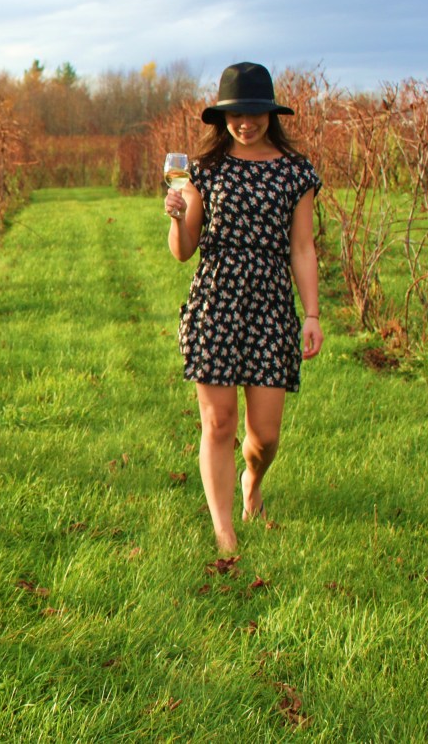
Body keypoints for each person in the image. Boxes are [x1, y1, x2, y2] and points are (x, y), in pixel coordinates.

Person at [164, 62, 323, 553]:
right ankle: (224, 530)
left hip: (272, 304)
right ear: (222, 117)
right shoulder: (203, 171)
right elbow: (184, 249)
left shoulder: (296, 172)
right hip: (215, 299)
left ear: (270, 114)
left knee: (265, 435)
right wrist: (175, 218)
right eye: (236, 114)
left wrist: (312, 314)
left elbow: (302, 247)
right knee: (219, 423)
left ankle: (252, 480)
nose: (246, 122)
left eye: (255, 113)